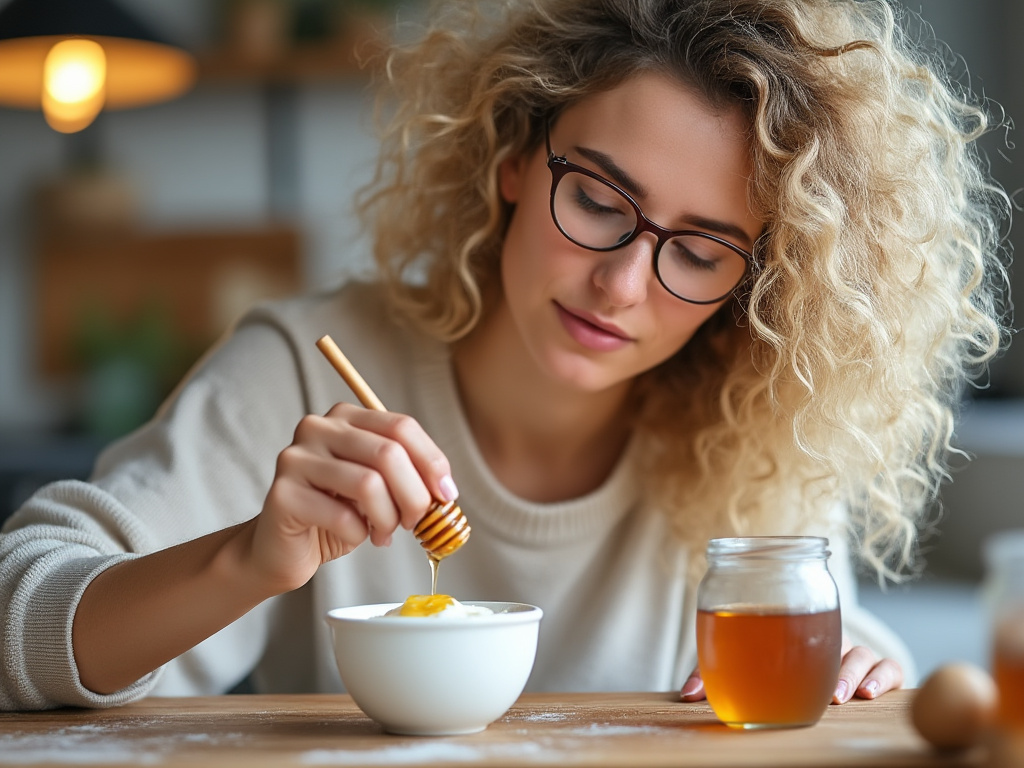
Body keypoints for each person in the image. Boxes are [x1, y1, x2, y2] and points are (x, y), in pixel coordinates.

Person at [0, 0, 1010, 710]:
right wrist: (243, 561)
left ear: (752, 284)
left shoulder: (753, 435)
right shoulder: (310, 370)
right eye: (599, 202)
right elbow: (23, 616)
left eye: (698, 253)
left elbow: (827, 632)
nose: (621, 286)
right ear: (515, 157)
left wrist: (857, 667)